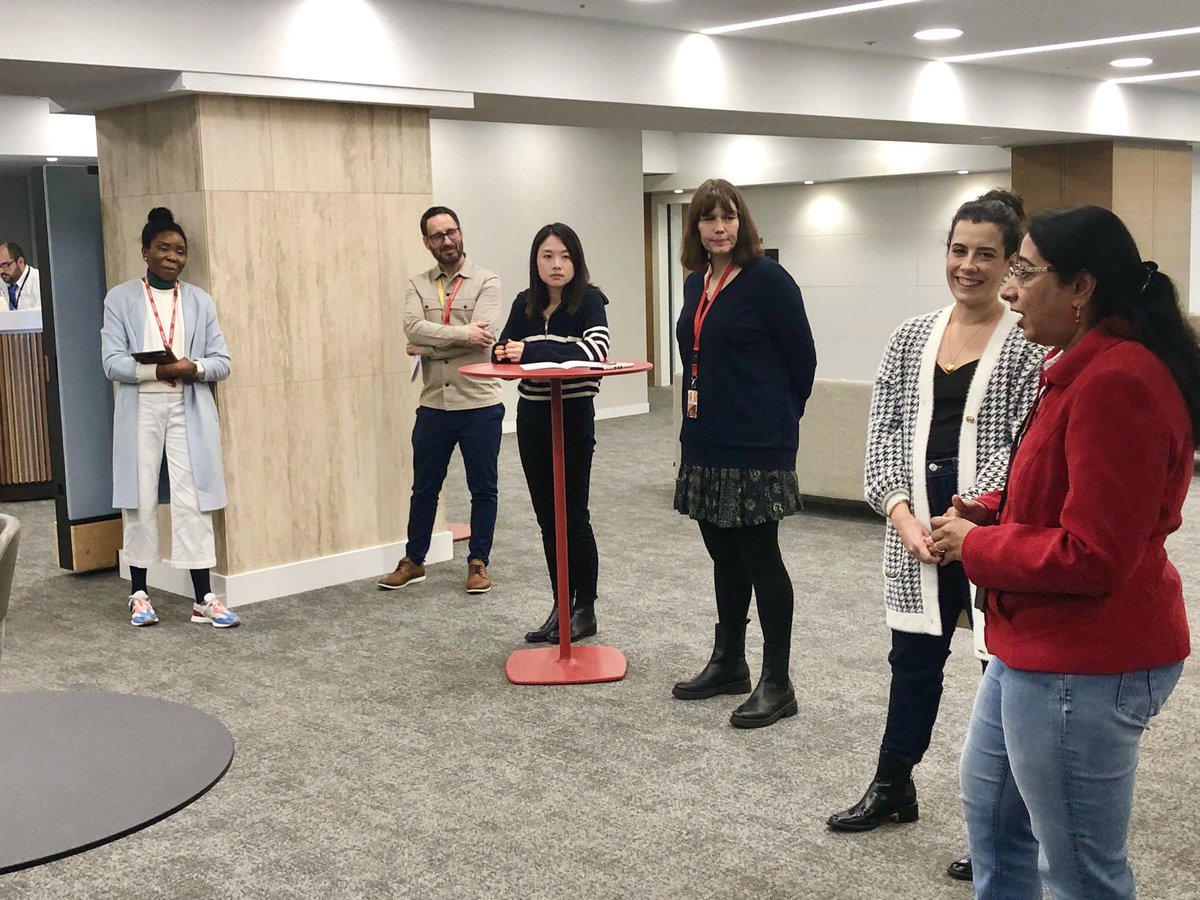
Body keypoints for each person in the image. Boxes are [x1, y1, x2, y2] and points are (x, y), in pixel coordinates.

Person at [931, 205, 1198, 899]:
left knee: (1081, 872)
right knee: (992, 822)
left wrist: (979, 545)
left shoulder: (1120, 381)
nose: (1007, 288)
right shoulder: (1076, 365)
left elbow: (1094, 554)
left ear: (1080, 288)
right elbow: (1063, 491)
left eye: (1022, 270)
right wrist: (989, 509)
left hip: (1087, 661)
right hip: (1032, 647)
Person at [827, 192, 1042, 885]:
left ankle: (1004, 827)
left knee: (997, 676)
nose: (968, 266)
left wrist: (970, 520)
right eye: (958, 250)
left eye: (986, 253)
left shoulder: (1027, 342)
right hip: (914, 531)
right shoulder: (911, 335)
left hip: (989, 535)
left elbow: (1025, 447)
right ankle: (895, 787)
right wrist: (902, 515)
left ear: (1012, 261)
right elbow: (884, 432)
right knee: (911, 662)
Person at [670, 178, 816, 729]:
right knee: (722, 552)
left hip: (758, 444)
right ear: (696, 228)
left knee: (760, 556)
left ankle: (777, 681)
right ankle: (729, 660)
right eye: (709, 219)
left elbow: (802, 360)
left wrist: (777, 419)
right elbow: (695, 358)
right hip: (705, 438)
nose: (719, 228)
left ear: (742, 222)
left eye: (728, 217)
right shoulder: (695, 284)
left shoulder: (768, 279)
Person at [100, 208, 239, 628]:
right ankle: (139, 593)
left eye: (180, 251)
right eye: (163, 248)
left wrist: (191, 368)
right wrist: (156, 371)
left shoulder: (198, 300)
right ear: (145, 251)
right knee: (139, 495)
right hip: (141, 405)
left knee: (192, 495)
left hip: (188, 407)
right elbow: (111, 362)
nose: (172, 257)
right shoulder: (120, 298)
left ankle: (204, 597)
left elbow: (223, 361)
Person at [493, 223, 610, 643]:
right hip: (533, 415)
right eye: (547, 256)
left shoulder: (591, 301)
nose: (556, 264)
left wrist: (533, 351)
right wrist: (505, 352)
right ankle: (561, 605)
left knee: (573, 513)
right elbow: (504, 349)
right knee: (547, 517)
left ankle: (585, 609)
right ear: (536, 261)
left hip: (574, 413)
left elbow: (595, 352)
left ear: (575, 261)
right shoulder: (526, 302)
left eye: (564, 256)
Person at [378, 206, 503, 595]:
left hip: (479, 402)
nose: (446, 241)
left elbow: (486, 334)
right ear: (427, 242)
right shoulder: (417, 283)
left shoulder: (488, 281)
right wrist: (463, 336)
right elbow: (412, 326)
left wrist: (426, 347)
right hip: (434, 403)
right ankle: (414, 560)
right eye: (437, 236)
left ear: (461, 233)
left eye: (451, 233)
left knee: (483, 488)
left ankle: (478, 561)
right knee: (425, 487)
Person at [0, 242, 41, 310]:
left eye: (5, 265)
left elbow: (43, 313)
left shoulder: (38, 279)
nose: (1, 271)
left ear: (20, 262)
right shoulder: (3, 280)